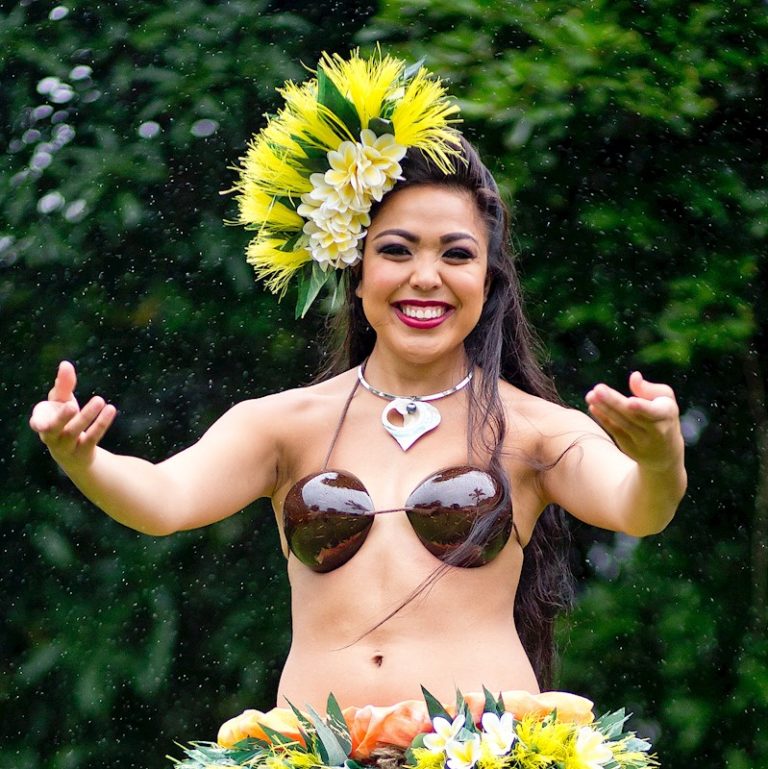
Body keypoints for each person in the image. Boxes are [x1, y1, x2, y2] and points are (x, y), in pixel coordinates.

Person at [29, 49, 685, 755]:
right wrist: (84, 459)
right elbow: (162, 498)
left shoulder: (526, 427)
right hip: (313, 751)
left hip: (482, 754)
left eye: (456, 254)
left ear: (487, 277)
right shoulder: (286, 424)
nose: (426, 277)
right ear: (357, 266)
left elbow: (637, 506)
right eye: (397, 250)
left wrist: (657, 454)